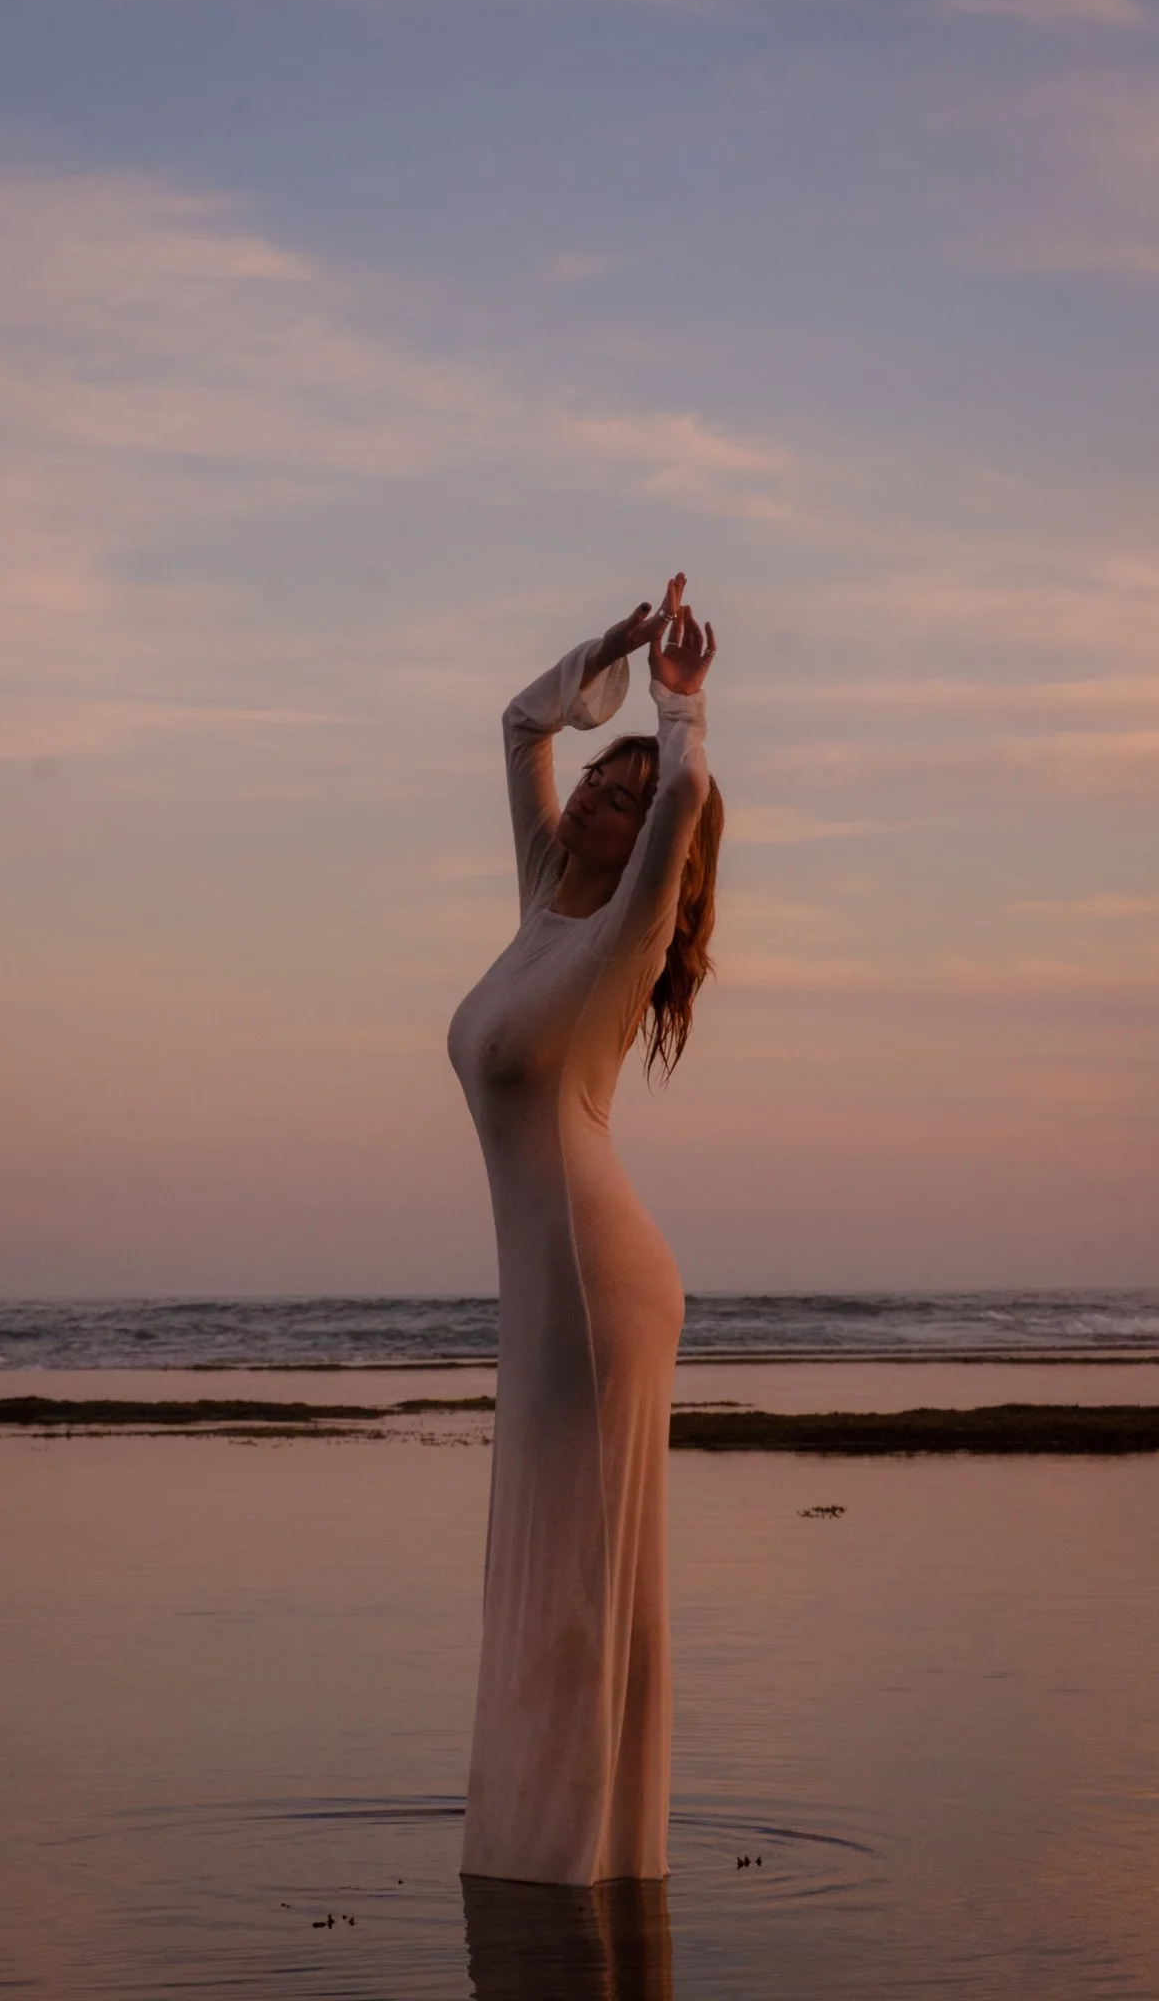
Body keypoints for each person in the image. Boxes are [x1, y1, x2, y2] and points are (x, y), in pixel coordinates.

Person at [447, 572, 723, 1886]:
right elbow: (517, 724)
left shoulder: (626, 926)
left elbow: (679, 801)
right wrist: (609, 650)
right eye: (598, 782)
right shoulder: (542, 900)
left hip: (596, 1279)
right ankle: (555, 1852)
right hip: (550, 1284)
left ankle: (576, 1865)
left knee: (579, 1570)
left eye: (625, 792)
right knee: (548, 1563)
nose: (605, 795)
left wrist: (678, 717)